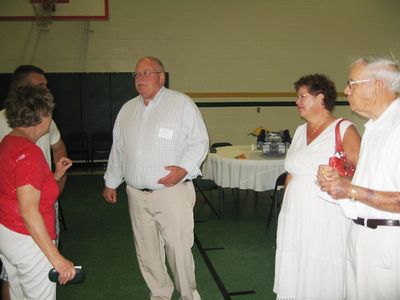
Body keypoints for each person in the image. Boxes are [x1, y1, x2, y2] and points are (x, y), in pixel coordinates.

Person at [102, 56, 209, 300]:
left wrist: (184, 168)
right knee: (147, 250)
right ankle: (159, 294)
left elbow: (199, 142)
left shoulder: (181, 104)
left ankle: (188, 296)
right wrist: (111, 181)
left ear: (162, 77)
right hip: (136, 195)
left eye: (147, 72)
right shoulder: (127, 109)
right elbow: (118, 149)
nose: (140, 78)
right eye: (137, 74)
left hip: (172, 193)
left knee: (178, 249)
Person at [318, 56, 400, 300]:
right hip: (362, 239)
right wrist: (340, 180)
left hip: (387, 244)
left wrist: (351, 190)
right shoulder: (376, 126)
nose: (346, 90)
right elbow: (377, 183)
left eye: (352, 83)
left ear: (376, 85)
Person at [273, 74, 361, 299]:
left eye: (302, 96)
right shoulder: (301, 131)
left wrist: (339, 179)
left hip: (326, 214)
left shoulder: (343, 129)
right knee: (297, 259)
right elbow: (293, 171)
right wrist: (285, 207)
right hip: (295, 213)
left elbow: (365, 174)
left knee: (323, 263)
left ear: (320, 98)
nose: (297, 102)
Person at [0, 86, 76, 299]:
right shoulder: (28, 153)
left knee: (18, 294)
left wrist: (56, 175)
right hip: (28, 241)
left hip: (8, 235)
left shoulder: (9, 142)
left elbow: (23, 191)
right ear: (42, 116)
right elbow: (28, 210)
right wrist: (57, 260)